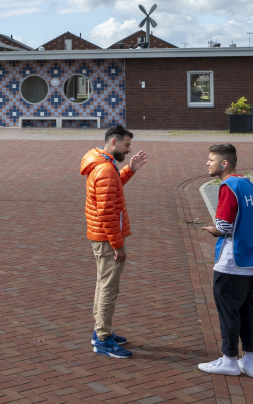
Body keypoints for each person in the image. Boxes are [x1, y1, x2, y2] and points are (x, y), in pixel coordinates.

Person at [199, 143, 253, 378]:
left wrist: (213, 230)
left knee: (228, 311)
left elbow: (224, 226)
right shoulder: (250, 186)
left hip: (231, 261)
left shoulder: (228, 186)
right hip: (252, 262)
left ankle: (229, 359)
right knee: (249, 311)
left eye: (211, 159)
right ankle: (250, 362)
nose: (207, 163)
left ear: (224, 163)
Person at [82, 124, 148, 359]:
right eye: (127, 145)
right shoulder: (106, 170)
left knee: (103, 283)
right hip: (108, 237)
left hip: (101, 235)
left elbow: (112, 190)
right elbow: (108, 212)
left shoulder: (100, 163)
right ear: (114, 142)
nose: (129, 150)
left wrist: (130, 169)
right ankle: (103, 339)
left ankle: (101, 330)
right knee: (109, 288)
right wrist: (118, 245)